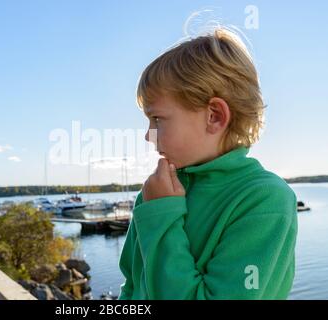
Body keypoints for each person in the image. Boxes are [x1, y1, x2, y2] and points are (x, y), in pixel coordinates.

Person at [118, 28, 298, 300]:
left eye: (157, 119)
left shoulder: (265, 201)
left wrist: (162, 216)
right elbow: (132, 286)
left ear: (214, 116)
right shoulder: (154, 194)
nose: (147, 134)